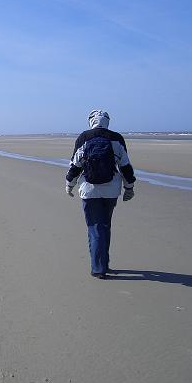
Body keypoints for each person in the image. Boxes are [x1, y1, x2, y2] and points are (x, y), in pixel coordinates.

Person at [65, 110, 136, 279]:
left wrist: (69, 184)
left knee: (95, 228)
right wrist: (129, 187)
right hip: (111, 190)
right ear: (107, 122)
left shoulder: (84, 137)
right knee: (105, 225)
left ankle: (98, 268)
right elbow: (125, 165)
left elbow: (75, 165)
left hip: (89, 190)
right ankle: (104, 263)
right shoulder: (116, 138)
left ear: (91, 121)